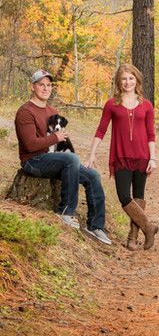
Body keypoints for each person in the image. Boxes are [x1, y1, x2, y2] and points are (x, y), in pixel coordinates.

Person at [15, 70, 110, 245]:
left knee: (92, 175)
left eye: (48, 85)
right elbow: (30, 145)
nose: (45, 88)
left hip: (54, 159)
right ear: (33, 87)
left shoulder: (52, 111)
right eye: (41, 84)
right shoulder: (25, 112)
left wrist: (62, 145)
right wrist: (55, 138)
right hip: (33, 161)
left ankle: (95, 225)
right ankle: (65, 211)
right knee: (72, 160)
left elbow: (62, 141)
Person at [84, 64, 158, 251]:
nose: (128, 82)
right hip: (121, 157)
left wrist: (153, 158)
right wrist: (92, 154)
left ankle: (132, 238)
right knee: (125, 197)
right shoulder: (112, 104)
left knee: (139, 196)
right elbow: (101, 130)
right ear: (119, 81)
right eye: (124, 79)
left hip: (142, 157)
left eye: (131, 78)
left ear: (137, 80)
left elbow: (151, 134)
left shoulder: (146, 105)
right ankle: (149, 228)